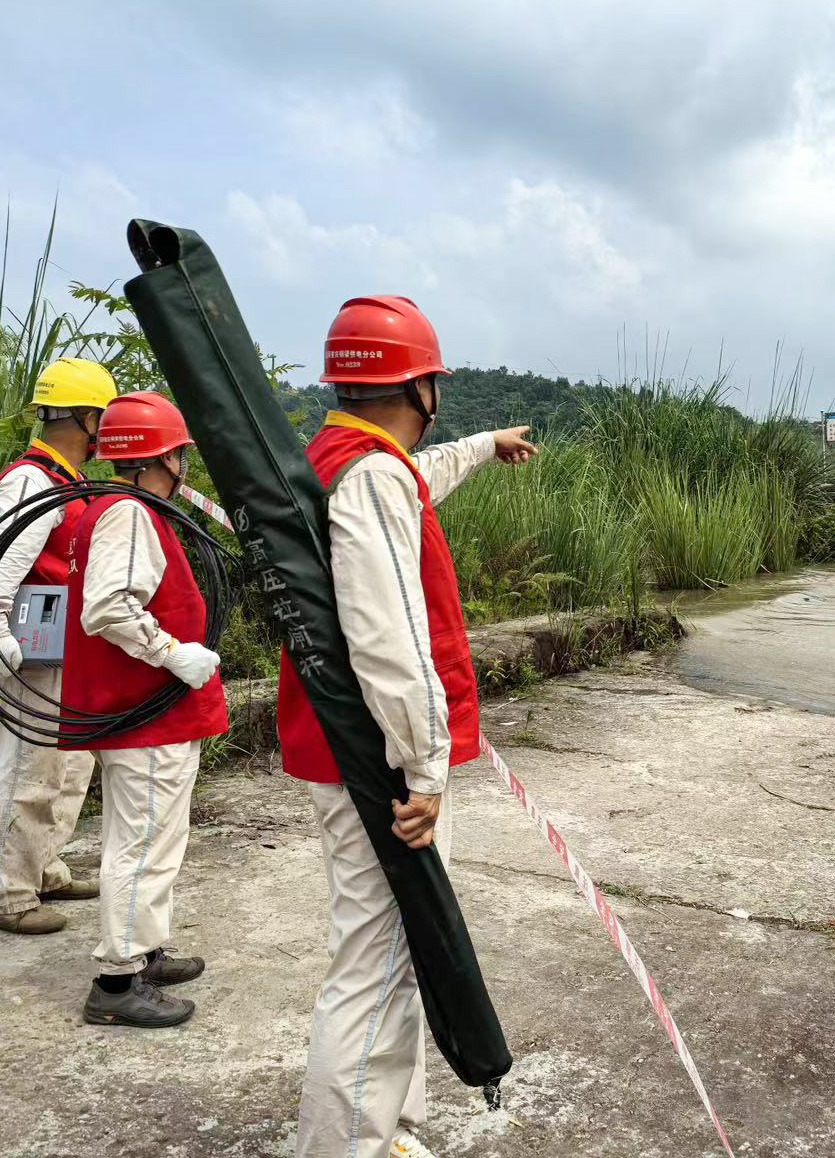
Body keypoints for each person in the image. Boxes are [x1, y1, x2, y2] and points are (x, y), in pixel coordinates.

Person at [277, 297, 537, 1158]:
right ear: (421, 385)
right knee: (382, 966)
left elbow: (415, 483)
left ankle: (382, 1131)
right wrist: (425, 768)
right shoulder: (376, 477)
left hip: (348, 749)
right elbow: (389, 638)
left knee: (391, 952)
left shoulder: (337, 459)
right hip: (382, 762)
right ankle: (346, 1145)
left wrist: (483, 447)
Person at [62, 391, 228, 1028]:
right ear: (159, 458)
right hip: (145, 714)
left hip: (142, 713)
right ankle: (116, 981)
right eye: (179, 454)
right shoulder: (129, 514)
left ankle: (144, 948)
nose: (184, 466)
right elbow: (106, 608)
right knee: (143, 844)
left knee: (150, 837)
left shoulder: (111, 507)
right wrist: (173, 654)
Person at [0, 356, 115, 935]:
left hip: (67, 644)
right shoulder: (32, 483)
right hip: (30, 648)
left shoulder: (67, 479)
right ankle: (6, 894)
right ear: (86, 417)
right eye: (103, 417)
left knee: (69, 763)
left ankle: (43, 867)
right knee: (28, 766)